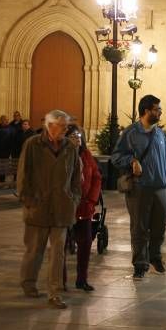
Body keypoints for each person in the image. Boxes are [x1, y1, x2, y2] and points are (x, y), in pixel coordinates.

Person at [17, 110, 81, 309]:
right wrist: (28, 200)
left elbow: (76, 177)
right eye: (62, 126)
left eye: (67, 126)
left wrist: (74, 198)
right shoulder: (33, 144)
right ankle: (29, 283)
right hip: (38, 207)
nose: (65, 130)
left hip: (62, 207)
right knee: (34, 250)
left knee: (58, 252)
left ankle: (54, 292)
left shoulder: (70, 147)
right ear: (50, 125)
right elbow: (22, 174)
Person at [111, 94, 166, 280]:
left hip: (160, 187)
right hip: (140, 188)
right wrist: (131, 161)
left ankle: (155, 257)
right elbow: (116, 156)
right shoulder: (131, 133)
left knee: (160, 226)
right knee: (139, 228)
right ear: (147, 111)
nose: (160, 111)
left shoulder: (161, 134)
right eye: (157, 109)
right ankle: (140, 263)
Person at [66, 124, 101, 291]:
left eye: (79, 136)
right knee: (63, 245)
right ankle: (60, 281)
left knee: (86, 242)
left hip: (85, 207)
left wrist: (92, 200)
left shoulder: (86, 155)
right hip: (65, 207)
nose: (77, 139)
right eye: (73, 136)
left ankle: (82, 279)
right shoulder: (62, 156)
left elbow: (96, 177)